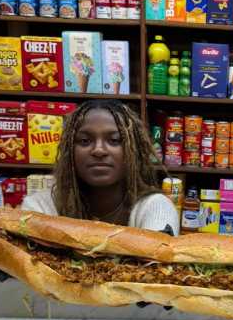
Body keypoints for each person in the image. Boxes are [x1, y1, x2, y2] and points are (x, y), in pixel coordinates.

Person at [21, 100, 180, 234]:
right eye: (84, 141)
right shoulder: (39, 208)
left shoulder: (156, 208)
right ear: (69, 151)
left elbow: (155, 267)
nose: (99, 150)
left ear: (134, 151)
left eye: (115, 140)